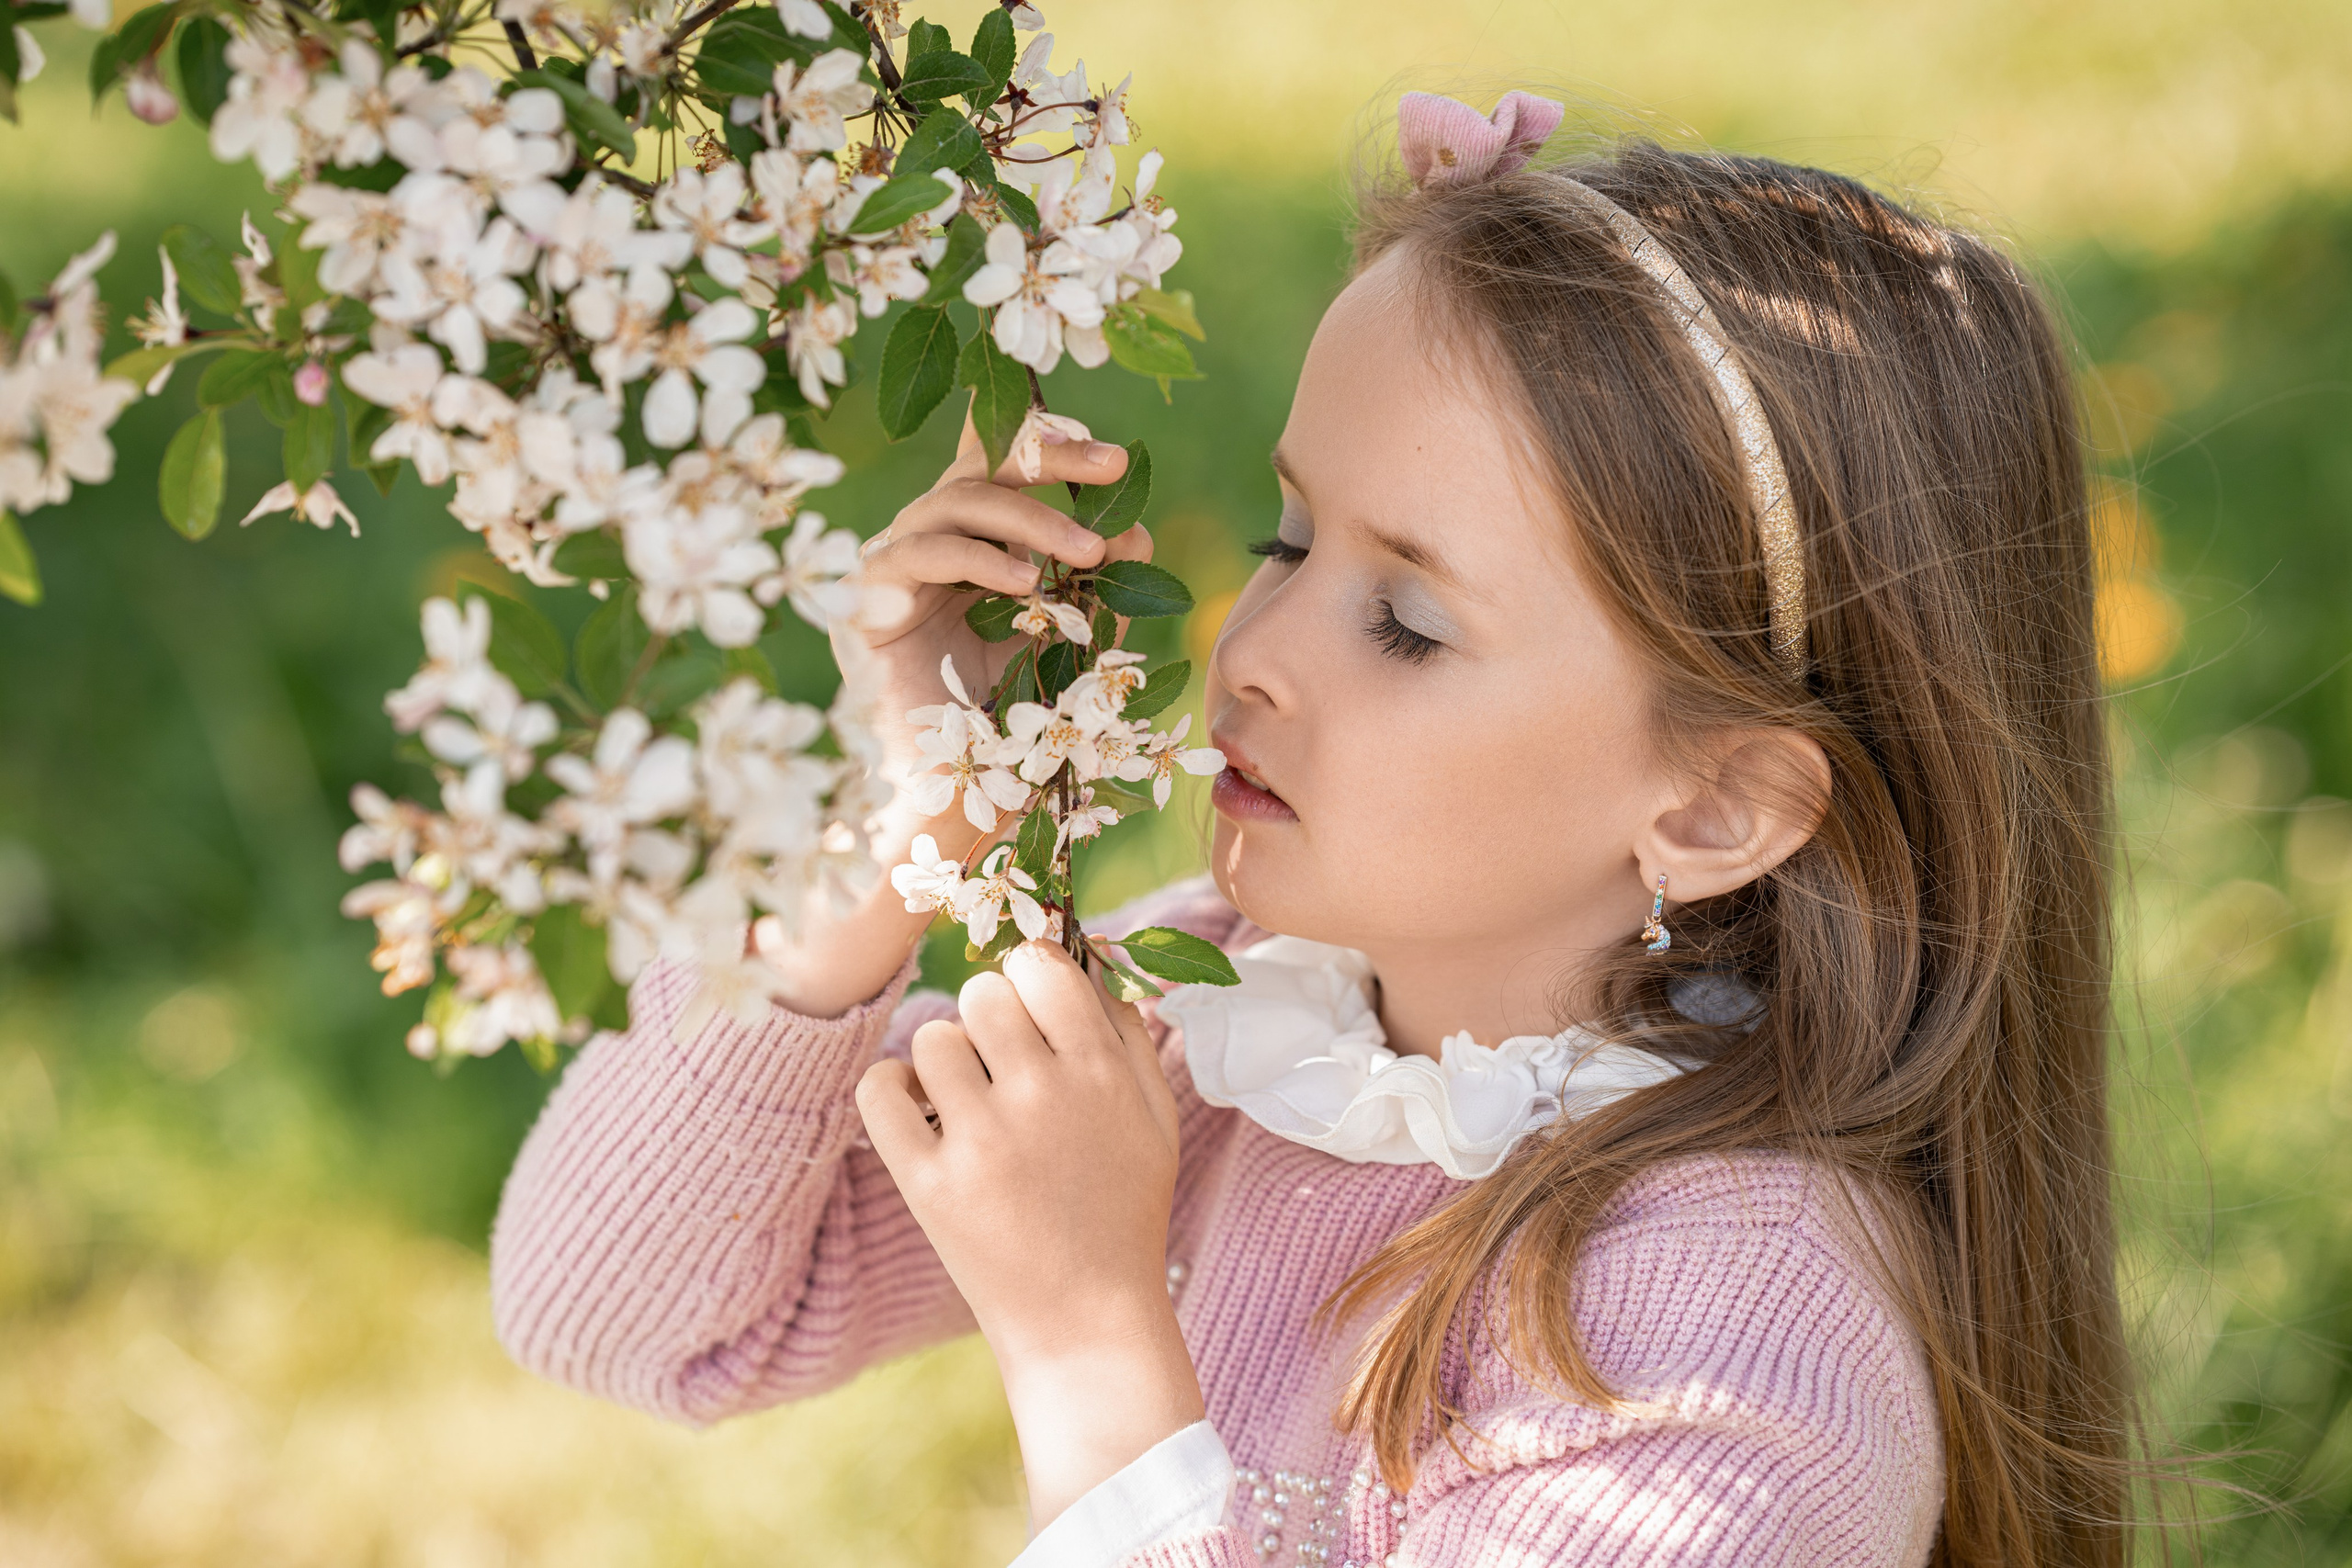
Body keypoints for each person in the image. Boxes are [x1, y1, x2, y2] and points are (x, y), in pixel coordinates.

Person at [489, 90, 2133, 1566]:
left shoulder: (1731, 1364)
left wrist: (1087, 1345)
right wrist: (899, 832)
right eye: (1288, 540)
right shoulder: (1244, 1020)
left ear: (1712, 804)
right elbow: (625, 1318)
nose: (1254, 653)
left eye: (1408, 621)